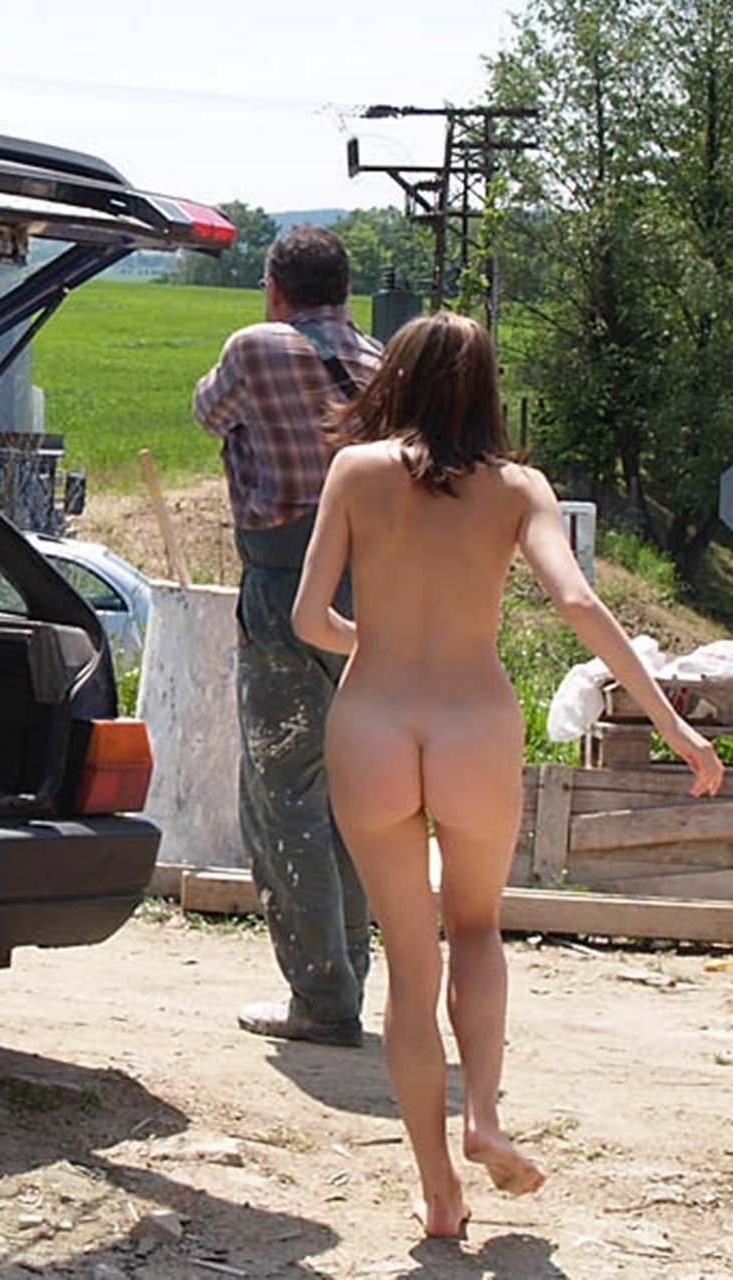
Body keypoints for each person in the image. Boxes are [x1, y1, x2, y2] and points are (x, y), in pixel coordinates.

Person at [292, 311, 723, 1236]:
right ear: (486, 389)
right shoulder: (520, 489)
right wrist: (673, 726)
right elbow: (578, 600)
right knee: (478, 927)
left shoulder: (355, 471)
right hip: (475, 728)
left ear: (395, 377)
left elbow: (308, 618)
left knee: (410, 961)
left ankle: (439, 1192)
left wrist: (381, 644)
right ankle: (483, 1114)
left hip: (372, 724)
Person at [191, 224, 385, 1048]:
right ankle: (348, 976)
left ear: (275, 289)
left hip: (283, 584)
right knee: (353, 795)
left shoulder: (257, 346)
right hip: (375, 599)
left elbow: (207, 413)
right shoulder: (381, 364)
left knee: (285, 794)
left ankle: (322, 999)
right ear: (345, 291)